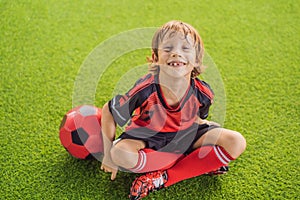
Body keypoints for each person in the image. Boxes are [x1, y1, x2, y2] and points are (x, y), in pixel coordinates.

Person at [100, 20, 246, 199]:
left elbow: (198, 119)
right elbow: (109, 110)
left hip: (185, 135)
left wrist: (211, 130)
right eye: (168, 49)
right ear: (155, 58)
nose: (176, 53)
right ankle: (196, 163)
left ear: (197, 60)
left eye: (185, 49)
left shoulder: (203, 93)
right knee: (119, 154)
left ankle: (163, 177)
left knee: (236, 141)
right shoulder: (146, 88)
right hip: (147, 135)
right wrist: (107, 154)